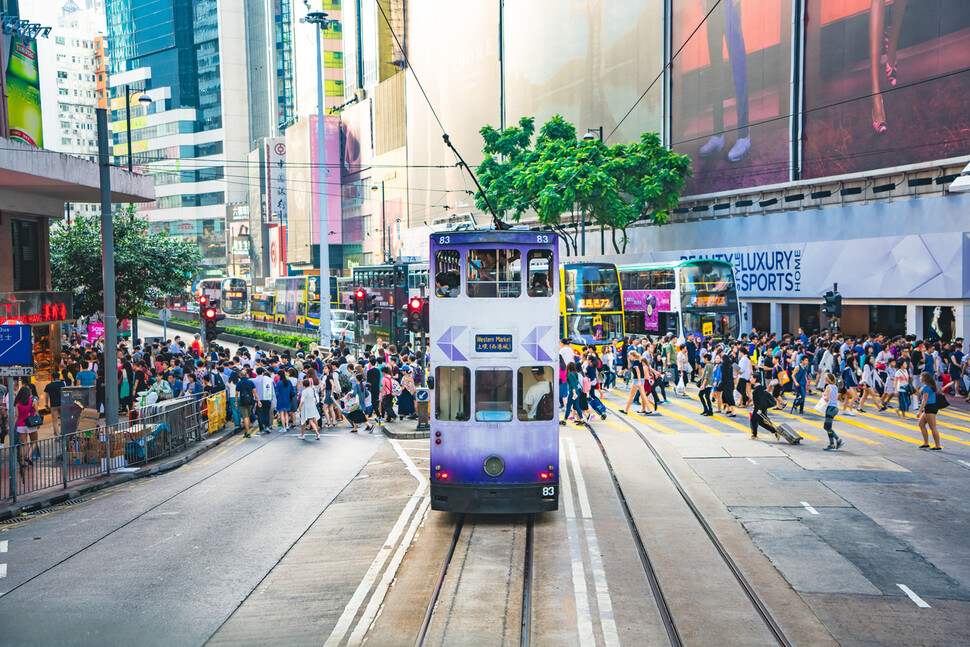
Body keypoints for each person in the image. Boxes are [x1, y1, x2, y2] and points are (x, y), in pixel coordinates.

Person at [620, 351, 653, 416]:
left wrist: (638, 381)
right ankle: (649, 410)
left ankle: (626, 410)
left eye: (629, 356)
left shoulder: (635, 362)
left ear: (632, 355)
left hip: (636, 380)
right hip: (642, 379)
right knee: (643, 395)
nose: (629, 357)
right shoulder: (639, 361)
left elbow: (638, 372)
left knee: (631, 396)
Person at [14, 385, 41, 462]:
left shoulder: (17, 403)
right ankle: (28, 456)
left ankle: (22, 462)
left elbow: (16, 416)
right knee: (34, 442)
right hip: (31, 424)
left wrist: (13, 426)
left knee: (24, 444)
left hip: (20, 425)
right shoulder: (33, 401)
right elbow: (37, 413)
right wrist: (38, 424)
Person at [916, 372, 942, 450]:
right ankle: (926, 443)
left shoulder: (926, 388)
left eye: (921, 377)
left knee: (933, 427)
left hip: (929, 408)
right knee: (921, 424)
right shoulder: (929, 386)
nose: (920, 378)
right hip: (930, 407)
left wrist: (919, 411)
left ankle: (937, 446)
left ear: (924, 378)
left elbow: (924, 400)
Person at [821, 373, 843, 451]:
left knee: (827, 427)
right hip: (835, 408)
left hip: (830, 408)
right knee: (828, 427)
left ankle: (838, 440)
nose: (824, 380)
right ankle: (832, 444)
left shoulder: (828, 387)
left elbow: (827, 399)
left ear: (827, 380)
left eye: (825, 378)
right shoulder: (835, 387)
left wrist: (823, 395)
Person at [236, 370, 258, 438]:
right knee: (248, 416)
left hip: (243, 402)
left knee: (245, 417)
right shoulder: (250, 382)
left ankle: (247, 432)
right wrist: (258, 400)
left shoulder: (239, 383)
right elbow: (255, 392)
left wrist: (236, 403)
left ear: (240, 375)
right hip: (251, 401)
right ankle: (247, 431)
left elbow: (236, 394)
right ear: (246, 375)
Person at [44, 370, 66, 434]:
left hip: (53, 405)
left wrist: (46, 404)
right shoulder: (63, 384)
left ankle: (57, 434)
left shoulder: (49, 385)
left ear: (52, 377)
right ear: (59, 377)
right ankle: (63, 433)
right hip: (62, 403)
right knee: (63, 419)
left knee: (55, 420)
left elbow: (46, 396)